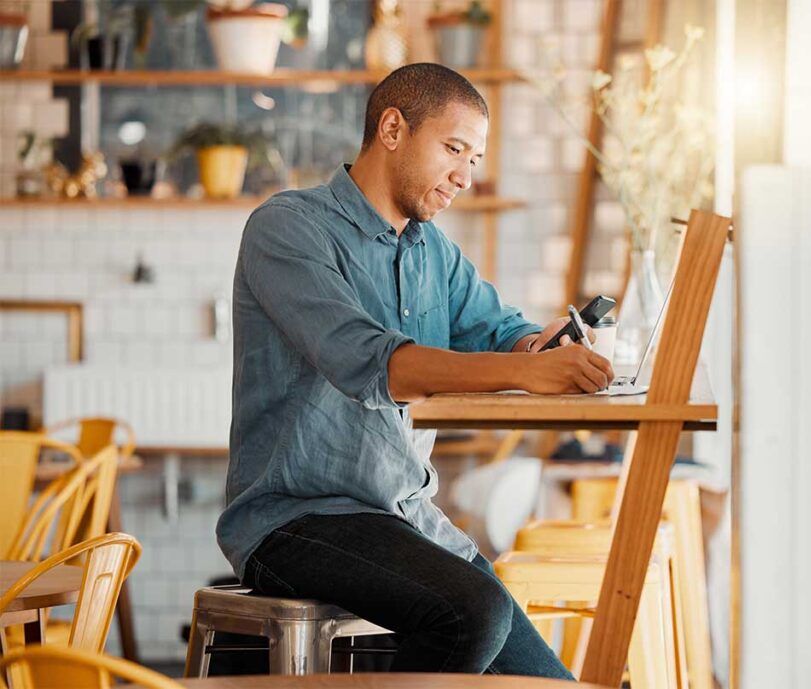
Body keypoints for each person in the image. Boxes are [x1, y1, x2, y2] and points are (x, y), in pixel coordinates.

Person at [216, 63, 614, 678]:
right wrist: (527, 375)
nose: (464, 176)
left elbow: (503, 332)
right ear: (393, 129)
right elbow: (371, 363)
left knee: (548, 682)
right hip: (295, 520)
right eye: (454, 149)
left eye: (475, 159)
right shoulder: (288, 228)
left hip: (407, 515)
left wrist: (539, 349)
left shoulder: (435, 252)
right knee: (473, 613)